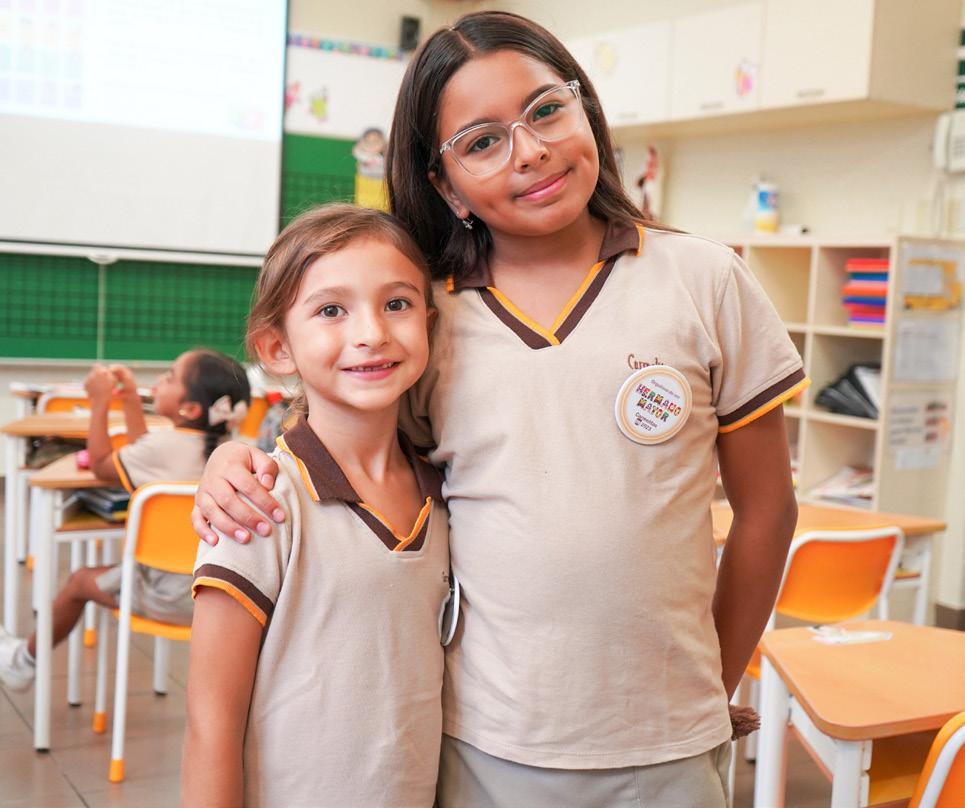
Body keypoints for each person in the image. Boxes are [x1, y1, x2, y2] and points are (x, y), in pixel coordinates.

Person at [192, 12, 806, 805]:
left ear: (584, 108)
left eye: (546, 110)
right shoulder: (424, 319)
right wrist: (233, 457)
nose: (530, 150)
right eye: (481, 141)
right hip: (486, 743)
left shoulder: (705, 280)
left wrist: (708, 689)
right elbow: (350, 446)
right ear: (445, 185)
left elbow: (767, 509)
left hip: (669, 743)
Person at [181, 205, 450, 808]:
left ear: (429, 325)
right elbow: (210, 723)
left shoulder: (447, 491)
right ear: (278, 348)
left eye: (397, 303)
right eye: (332, 310)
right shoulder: (255, 503)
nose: (372, 333)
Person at [0, 349, 250, 691]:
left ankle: (23, 663)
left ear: (190, 409)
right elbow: (143, 450)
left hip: (168, 598)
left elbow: (102, 464)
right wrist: (131, 398)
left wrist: (100, 403)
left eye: (170, 376)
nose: (160, 380)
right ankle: (23, 660)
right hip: (220, 599)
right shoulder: (229, 451)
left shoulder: (163, 447)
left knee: (78, 582)